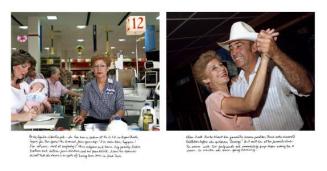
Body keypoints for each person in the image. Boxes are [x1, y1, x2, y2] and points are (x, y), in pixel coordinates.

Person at [218, 21, 313, 130]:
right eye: (231, 48)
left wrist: (276, 53)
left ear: (254, 47)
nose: (233, 53)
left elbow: (307, 88)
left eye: (238, 46)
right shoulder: (235, 85)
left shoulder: (276, 69)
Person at [193, 49, 272, 130]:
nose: (222, 68)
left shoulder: (232, 93)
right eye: (214, 68)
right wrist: (264, 59)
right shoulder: (213, 99)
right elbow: (249, 104)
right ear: (205, 79)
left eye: (221, 64)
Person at [73, 56, 125, 126]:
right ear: (92, 69)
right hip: (93, 121)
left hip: (113, 121)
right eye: (96, 66)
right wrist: (82, 116)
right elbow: (85, 107)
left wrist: (116, 116)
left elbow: (121, 107)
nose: (99, 69)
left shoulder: (116, 85)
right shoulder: (88, 87)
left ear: (107, 68)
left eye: (102, 66)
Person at [11, 50, 39, 125]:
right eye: (23, 66)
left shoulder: (23, 85)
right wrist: (21, 116)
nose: (26, 71)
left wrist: (34, 108)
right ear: (13, 66)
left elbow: (34, 101)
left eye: (28, 68)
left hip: (20, 127)